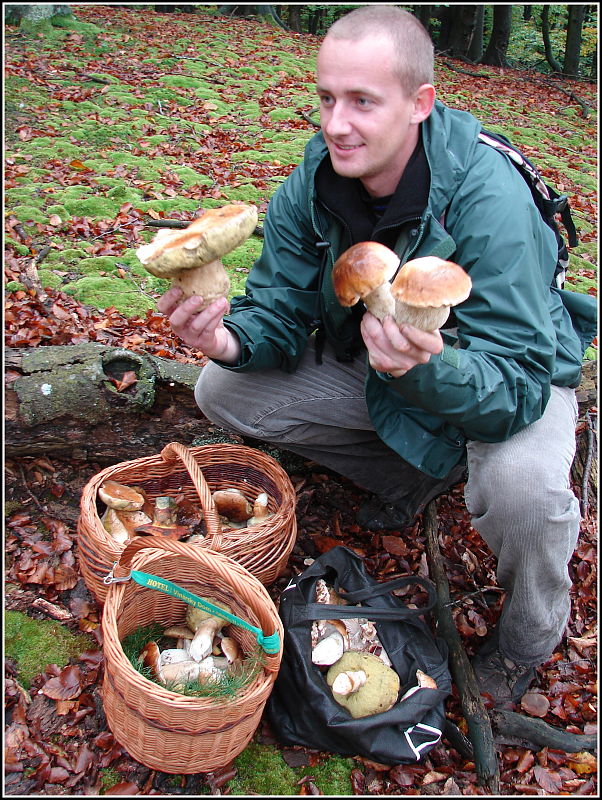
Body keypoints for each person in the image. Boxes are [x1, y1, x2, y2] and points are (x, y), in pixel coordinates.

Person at [157, 6, 597, 708]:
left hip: (512, 376)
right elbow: (279, 302)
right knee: (222, 389)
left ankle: (525, 642)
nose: (337, 123)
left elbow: (517, 384)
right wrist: (227, 338)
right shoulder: (318, 179)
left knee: (526, 494)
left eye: (363, 101)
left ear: (420, 103)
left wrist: (424, 369)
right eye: (328, 98)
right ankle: (411, 479)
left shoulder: (488, 200)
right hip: (394, 364)